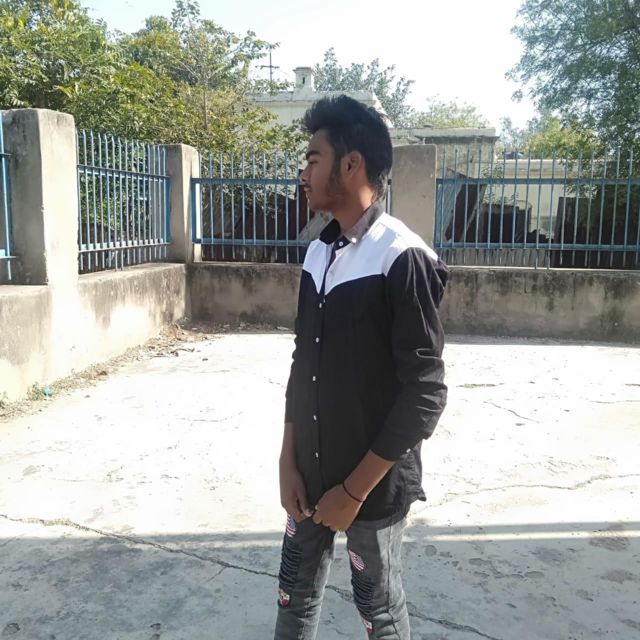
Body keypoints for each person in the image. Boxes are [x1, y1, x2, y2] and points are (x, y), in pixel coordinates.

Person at [275, 95, 448, 640]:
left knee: (379, 610)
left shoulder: (402, 256)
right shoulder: (317, 254)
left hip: (372, 489)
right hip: (309, 475)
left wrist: (352, 493)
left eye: (313, 159)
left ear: (351, 165)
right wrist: (287, 460)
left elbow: (425, 393)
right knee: (292, 595)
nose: (304, 174)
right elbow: (303, 361)